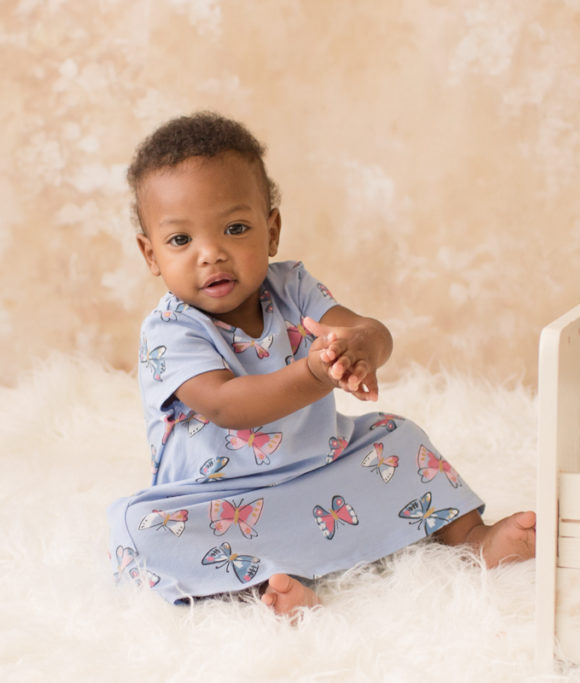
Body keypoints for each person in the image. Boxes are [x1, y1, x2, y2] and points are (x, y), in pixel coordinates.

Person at [107, 111, 536, 615]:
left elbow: (364, 328)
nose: (211, 253)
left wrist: (361, 348)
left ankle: (472, 539)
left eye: (235, 227)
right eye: (180, 240)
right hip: (221, 501)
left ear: (272, 231)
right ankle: (268, 586)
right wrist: (313, 373)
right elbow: (227, 406)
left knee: (400, 438)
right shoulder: (171, 330)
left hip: (319, 469)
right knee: (140, 532)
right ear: (150, 254)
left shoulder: (291, 287)